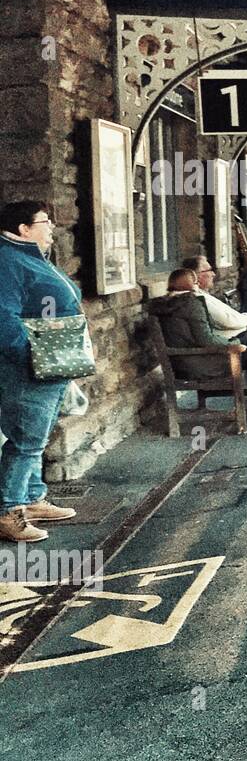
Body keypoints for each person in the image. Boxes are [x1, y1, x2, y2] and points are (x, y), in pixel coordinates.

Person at [0, 201, 83, 543]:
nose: (51, 228)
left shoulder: (29, 257)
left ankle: (31, 498)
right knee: (26, 440)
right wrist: (34, 355)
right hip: (31, 367)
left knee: (39, 435)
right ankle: (8, 510)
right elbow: (3, 319)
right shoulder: (8, 261)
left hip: (52, 362)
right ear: (23, 228)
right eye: (45, 222)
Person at [154, 269, 247, 425]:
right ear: (192, 285)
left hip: (183, 363)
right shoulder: (191, 304)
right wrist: (234, 344)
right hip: (201, 364)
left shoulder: (165, 304)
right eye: (196, 282)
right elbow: (206, 339)